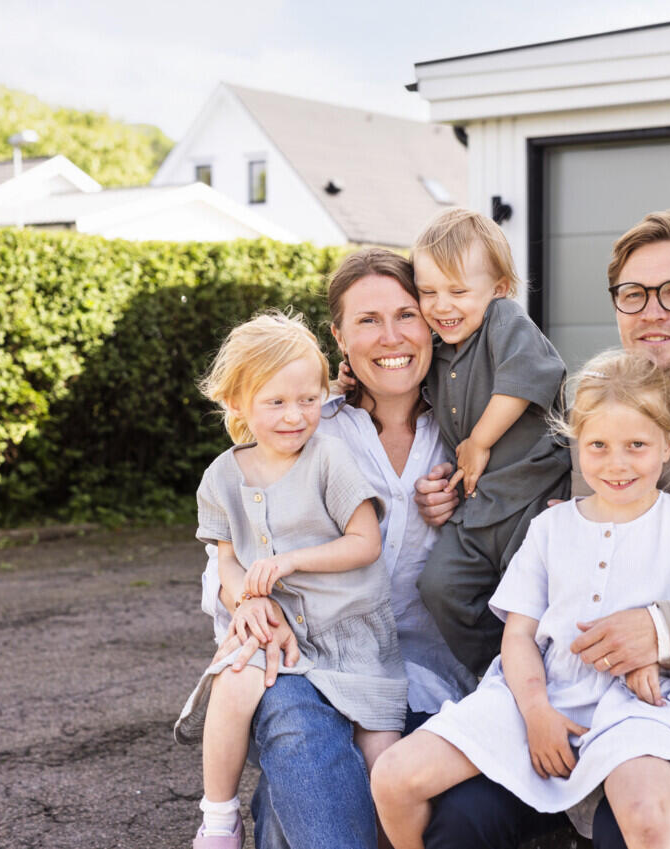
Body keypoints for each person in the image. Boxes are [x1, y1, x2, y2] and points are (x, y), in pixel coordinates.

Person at [415, 209, 670, 849]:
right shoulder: (598, 408)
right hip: (577, 690)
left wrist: (662, 630)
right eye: (633, 295)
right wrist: (452, 499)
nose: (652, 311)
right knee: (459, 819)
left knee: (622, 826)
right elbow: (537, 512)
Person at [373, 350, 670, 849]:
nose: (616, 464)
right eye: (598, 445)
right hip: (538, 692)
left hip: (636, 704)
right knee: (394, 776)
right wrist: (536, 712)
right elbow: (519, 633)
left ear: (667, 443)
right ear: (576, 445)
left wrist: (659, 650)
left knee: (645, 815)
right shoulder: (551, 528)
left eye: (636, 444)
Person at [199, 249, 475, 849]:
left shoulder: (471, 435)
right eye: (367, 321)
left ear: (431, 322)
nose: (391, 336)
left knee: (300, 791)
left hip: (421, 673)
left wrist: (466, 506)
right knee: (296, 719)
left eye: (407, 314)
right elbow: (230, 550)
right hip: (302, 649)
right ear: (339, 339)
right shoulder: (305, 425)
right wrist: (247, 600)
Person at [175, 310, 404, 848]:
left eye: (307, 400)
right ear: (237, 404)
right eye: (275, 402)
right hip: (281, 638)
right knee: (234, 679)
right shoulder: (222, 475)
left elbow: (364, 542)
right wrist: (245, 602)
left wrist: (294, 561)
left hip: (354, 637)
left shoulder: (329, 458)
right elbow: (226, 560)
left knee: (384, 764)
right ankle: (218, 816)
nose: (295, 416)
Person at [412, 207, 571, 675]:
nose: (442, 306)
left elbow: (528, 375)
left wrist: (479, 440)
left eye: (458, 291)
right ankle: (496, 673)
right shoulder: (438, 348)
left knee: (534, 600)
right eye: (428, 292)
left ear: (499, 287)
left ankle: (548, 678)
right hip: (478, 509)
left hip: (533, 498)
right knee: (440, 588)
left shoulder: (505, 321)